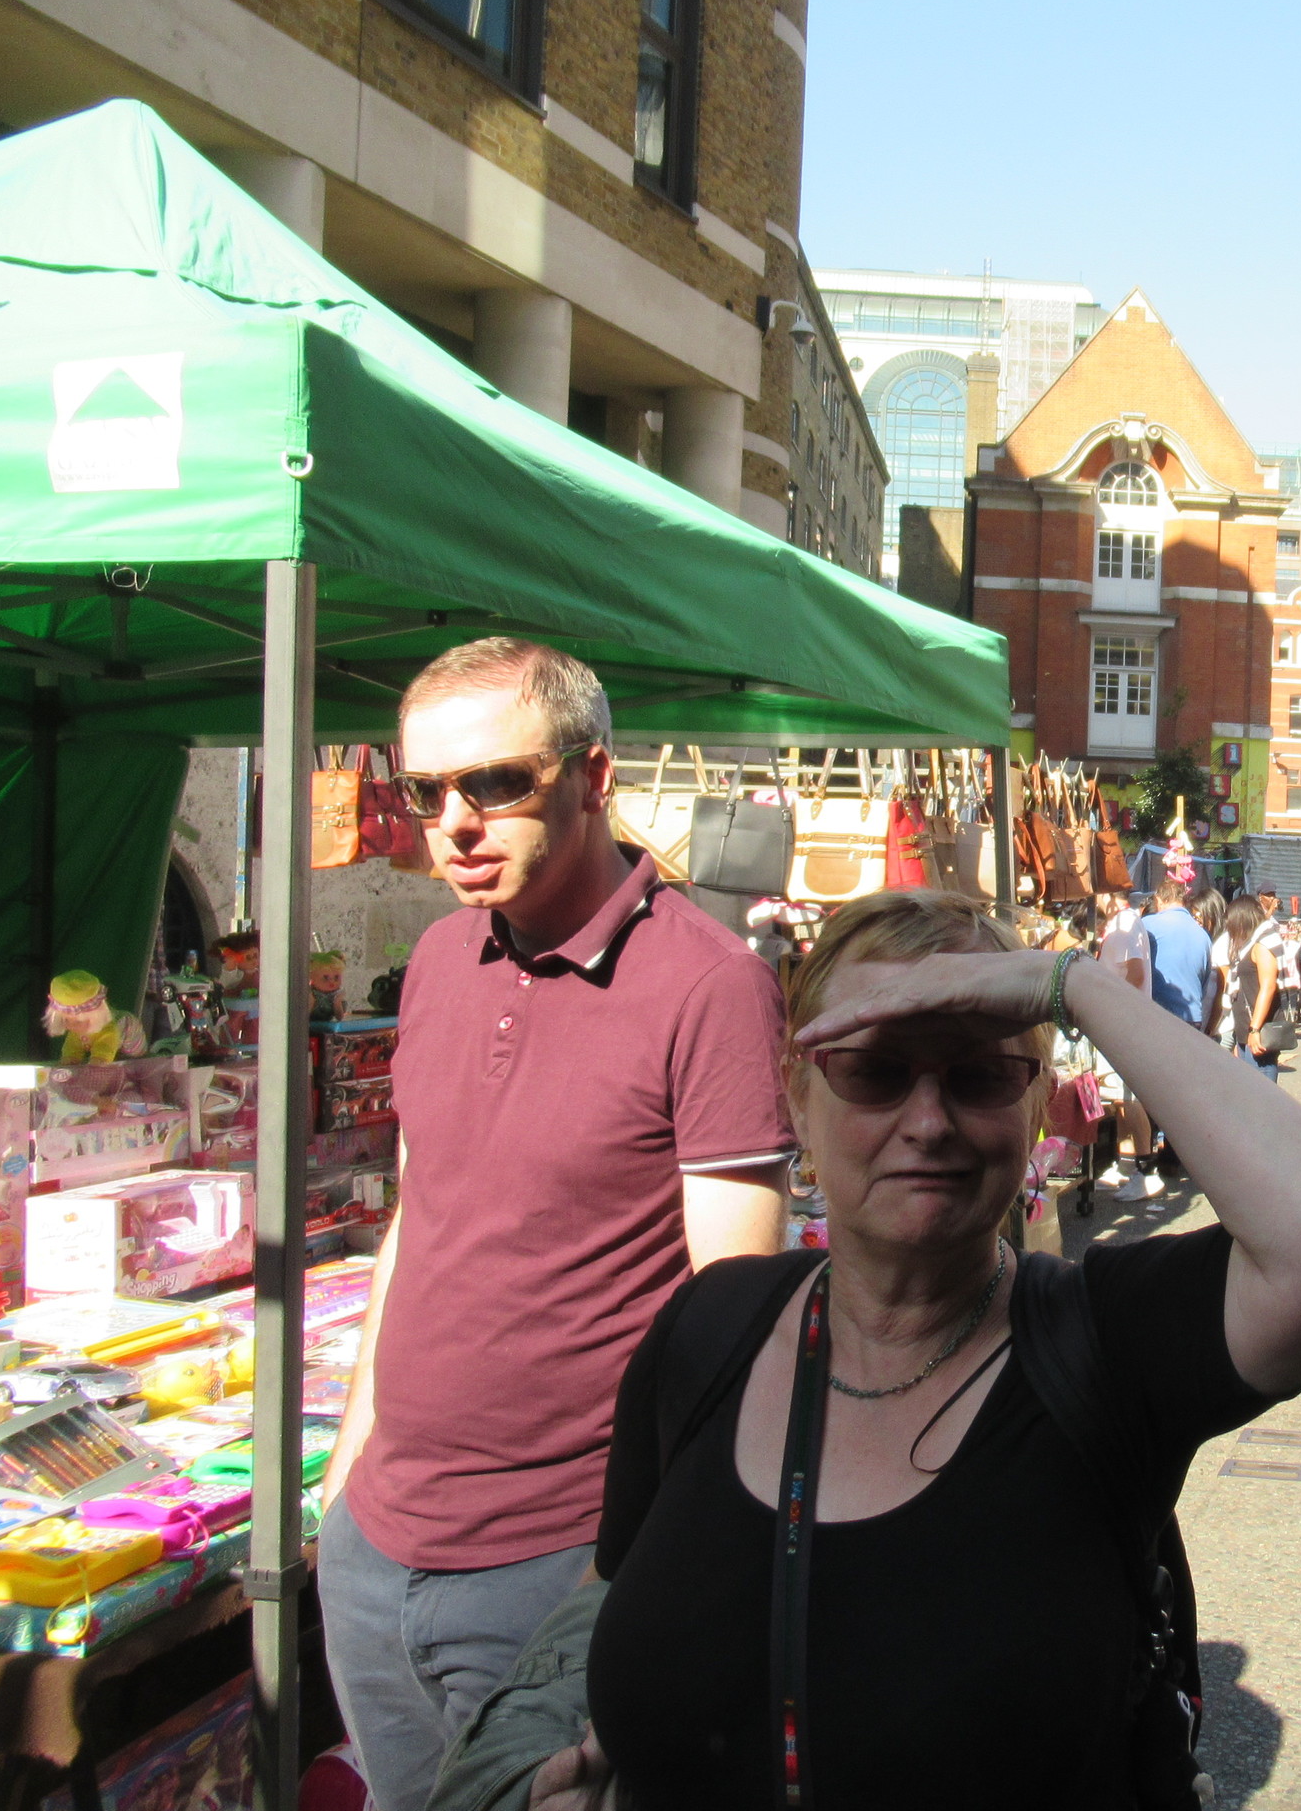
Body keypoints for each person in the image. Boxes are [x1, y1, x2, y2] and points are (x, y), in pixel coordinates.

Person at [561, 889, 1301, 1809]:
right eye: (874, 1071)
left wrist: (1067, 984)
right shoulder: (711, 1326)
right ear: (797, 1100)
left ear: (1036, 1102)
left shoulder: (1102, 1341)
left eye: (980, 1075)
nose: (928, 1121)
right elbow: (619, 1603)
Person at [322, 639, 790, 1811]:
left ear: (593, 776)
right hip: (378, 1546)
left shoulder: (709, 983)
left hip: (556, 1563)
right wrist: (345, 1468)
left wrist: (627, 1577)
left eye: (495, 782)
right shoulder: (440, 956)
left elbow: (731, 1326)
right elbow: (420, 1222)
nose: (454, 822)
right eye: (426, 789)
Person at [1129, 881, 1215, 1201]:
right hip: (1191, 1017)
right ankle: (1175, 1151)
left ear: (1161, 899)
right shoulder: (1201, 934)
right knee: (1182, 1089)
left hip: (1157, 1014)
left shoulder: (1148, 926)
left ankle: (1155, 1147)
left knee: (1153, 1087)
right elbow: (1206, 977)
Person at [1091, 892, 1154, 1183]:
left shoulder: (1123, 925)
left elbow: (1136, 974)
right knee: (1121, 1098)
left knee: (1129, 1098)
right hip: (1124, 1023)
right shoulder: (1127, 921)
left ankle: (1146, 1171)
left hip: (1123, 1025)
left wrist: (1115, 1009)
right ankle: (1128, 1166)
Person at [1219, 901, 1286, 1082]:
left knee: (1262, 1089)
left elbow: (1268, 987)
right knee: (1249, 1089)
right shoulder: (1249, 945)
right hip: (1245, 1031)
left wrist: (1255, 1029)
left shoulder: (1263, 944)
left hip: (1259, 1032)